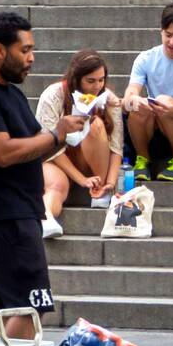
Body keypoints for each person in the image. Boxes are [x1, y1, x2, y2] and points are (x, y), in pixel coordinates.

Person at [0, 12, 87, 339]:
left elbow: (35, 145)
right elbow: (4, 152)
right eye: (24, 50)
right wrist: (56, 134)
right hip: (3, 216)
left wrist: (66, 133)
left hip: (15, 213)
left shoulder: (11, 94)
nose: (31, 58)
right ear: (0, 50)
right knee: (30, 306)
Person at [35, 49, 123, 238]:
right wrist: (81, 180)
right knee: (57, 185)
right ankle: (47, 217)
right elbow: (48, 146)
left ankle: (100, 191)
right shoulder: (53, 95)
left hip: (91, 159)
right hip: (54, 157)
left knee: (95, 124)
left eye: (101, 80)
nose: (96, 86)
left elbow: (116, 146)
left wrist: (110, 182)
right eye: (90, 81)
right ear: (76, 79)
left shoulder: (108, 99)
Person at [123, 2, 173, 182]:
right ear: (161, 31)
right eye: (168, 35)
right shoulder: (146, 58)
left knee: (164, 101)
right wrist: (133, 100)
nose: (172, 42)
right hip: (152, 125)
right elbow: (129, 95)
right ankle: (142, 161)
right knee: (140, 104)